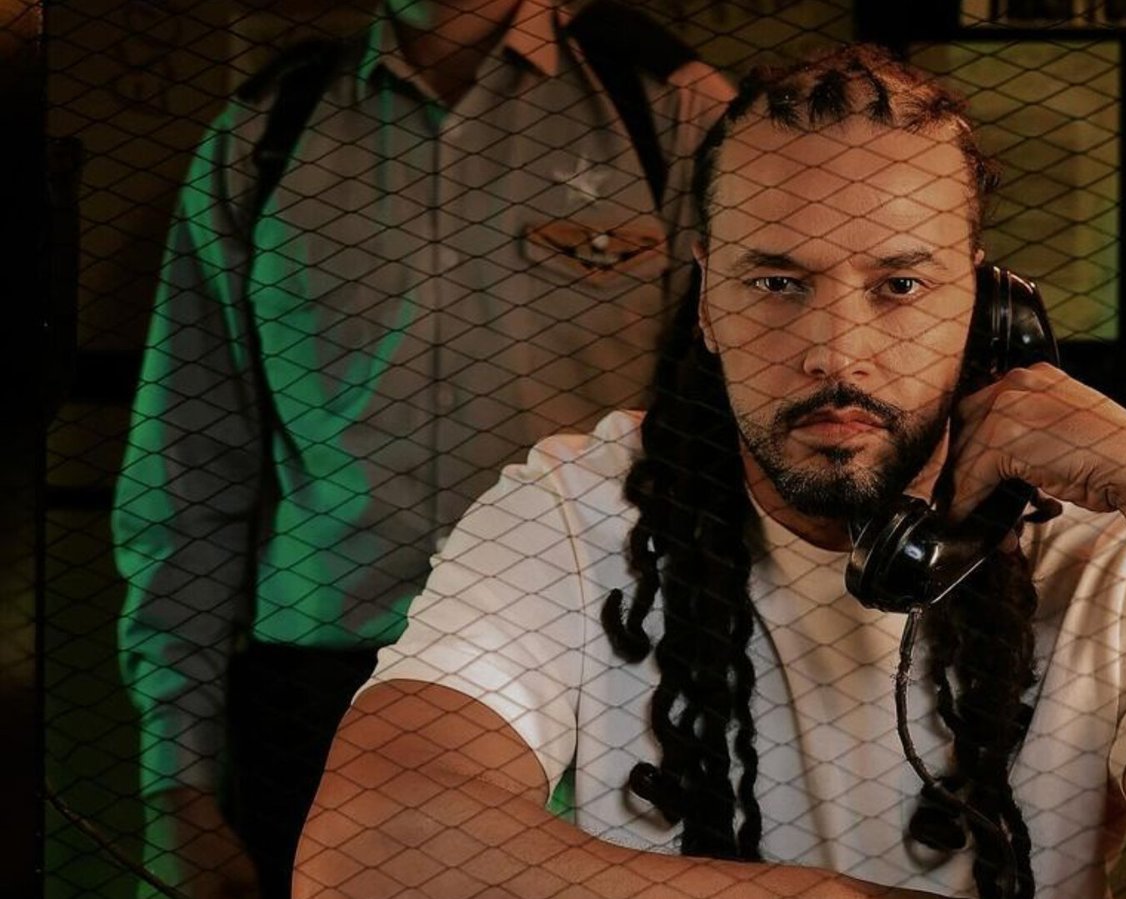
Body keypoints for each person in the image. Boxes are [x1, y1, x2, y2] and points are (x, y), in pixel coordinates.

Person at [295, 46, 1126, 899]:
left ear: (986, 305)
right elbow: (369, 857)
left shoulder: (1093, 547)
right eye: (775, 281)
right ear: (705, 303)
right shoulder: (573, 505)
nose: (834, 349)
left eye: (899, 284)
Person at [111, 1, 731, 896]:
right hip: (315, 685)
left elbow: (730, 424)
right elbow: (186, 463)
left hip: (586, 675)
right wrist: (176, 788)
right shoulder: (268, 129)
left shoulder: (665, 111)